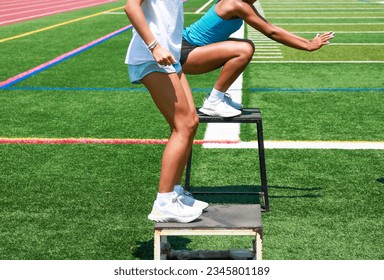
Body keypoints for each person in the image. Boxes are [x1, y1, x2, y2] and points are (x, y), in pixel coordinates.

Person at [124, 0, 208, 223]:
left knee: (191, 122)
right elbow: (131, 6)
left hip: (171, 57)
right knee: (183, 126)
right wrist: (154, 46)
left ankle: (176, 194)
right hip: (151, 56)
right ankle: (163, 203)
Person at [180, 0, 335, 117]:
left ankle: (218, 96)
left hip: (191, 50)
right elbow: (271, 32)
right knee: (244, 49)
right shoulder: (237, 4)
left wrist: (308, 42)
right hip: (187, 53)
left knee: (245, 45)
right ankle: (213, 101)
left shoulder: (242, 3)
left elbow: (272, 27)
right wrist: (308, 46)